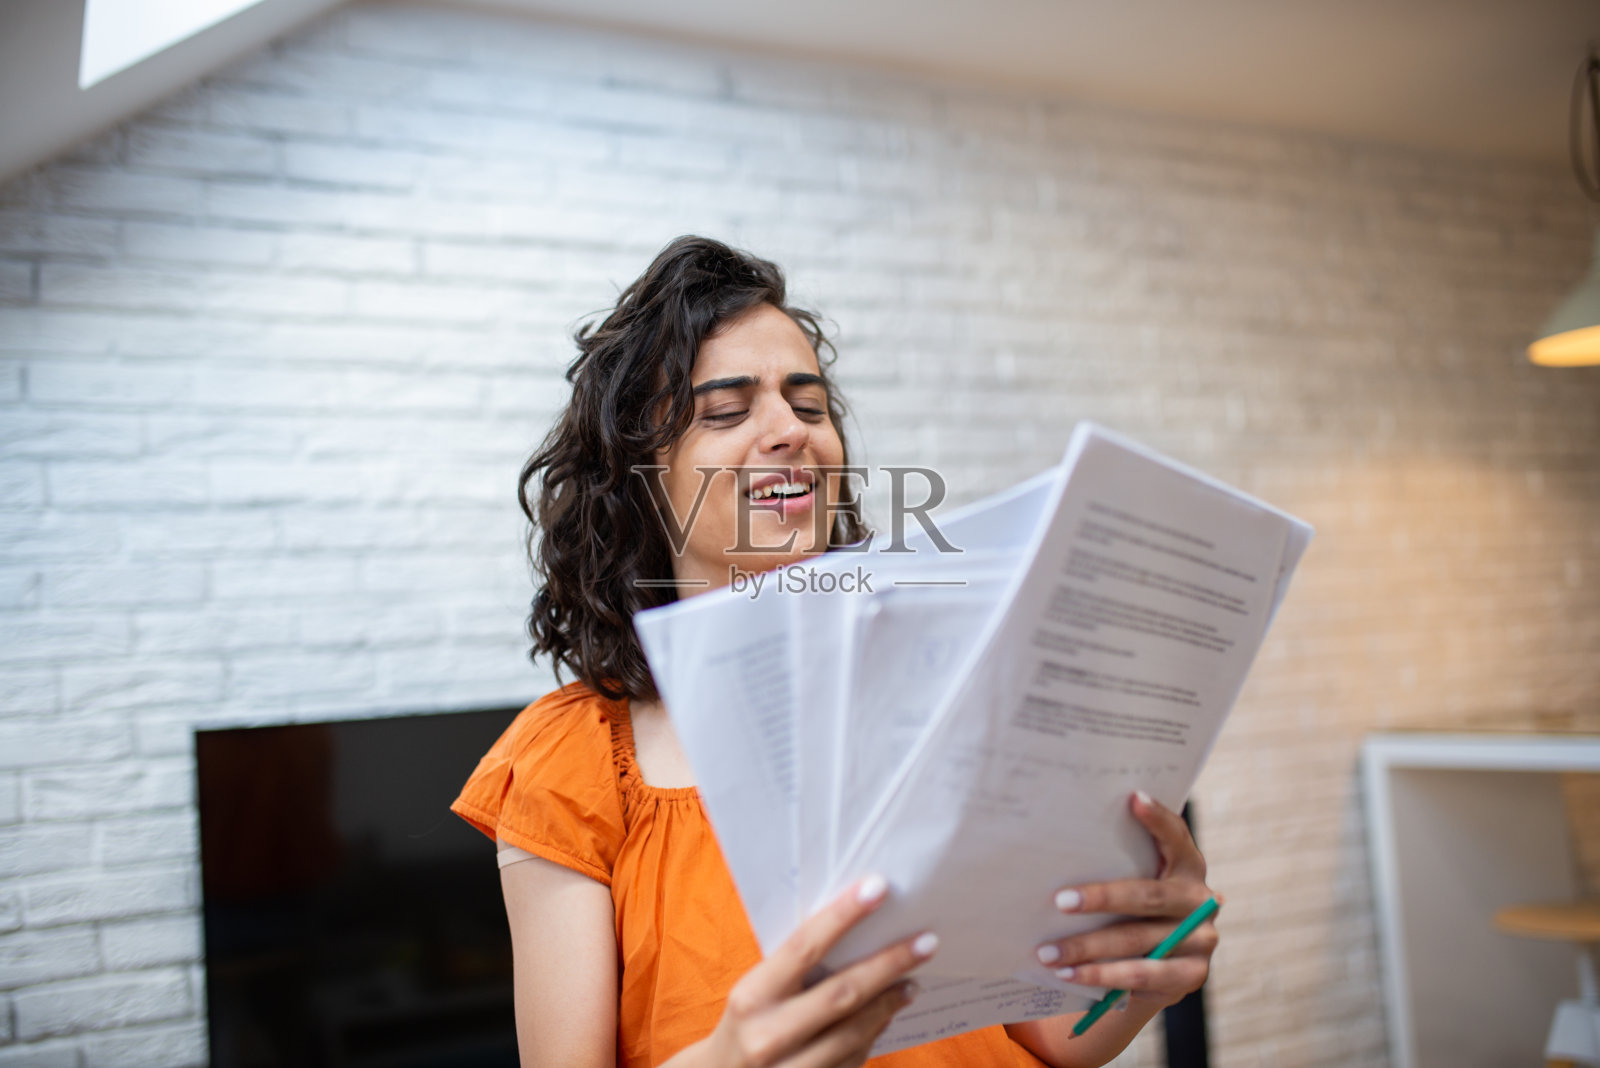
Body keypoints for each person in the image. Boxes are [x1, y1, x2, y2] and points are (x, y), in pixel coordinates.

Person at [452, 236, 1220, 1068]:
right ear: (643, 475)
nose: (789, 431)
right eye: (727, 410)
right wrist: (735, 1058)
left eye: (809, 406)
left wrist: (1147, 974)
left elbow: (1044, 1035)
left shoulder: (944, 687)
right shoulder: (571, 759)